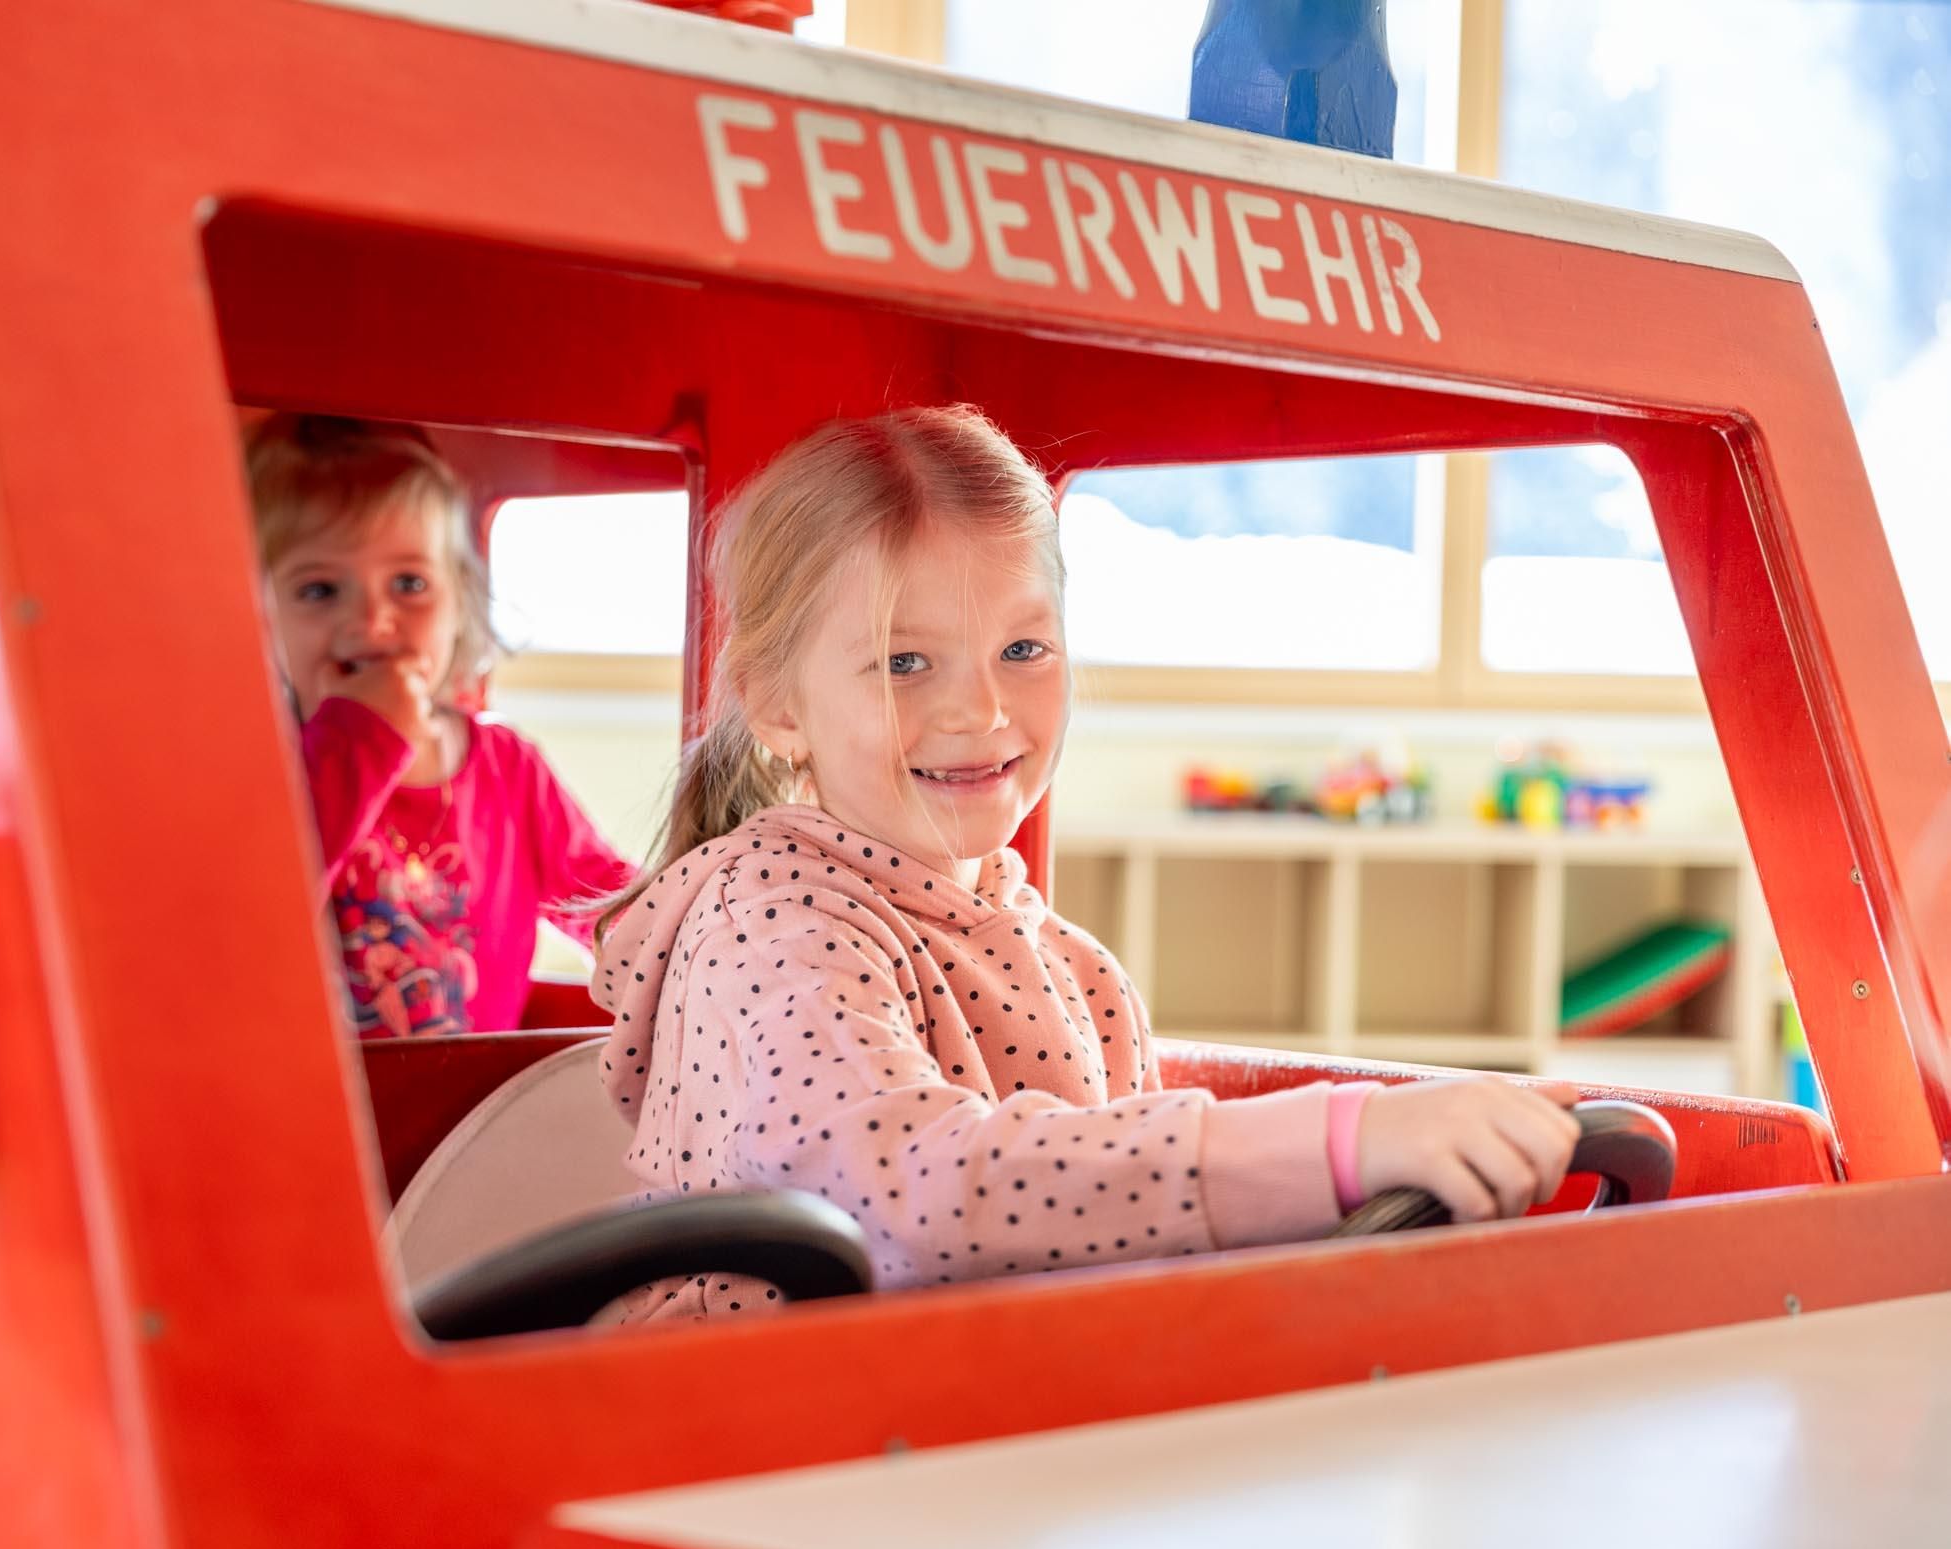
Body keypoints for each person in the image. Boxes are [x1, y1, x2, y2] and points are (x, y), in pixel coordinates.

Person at [594, 406, 1579, 1319]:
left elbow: (1128, 1243)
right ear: (777, 705)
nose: (980, 710)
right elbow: (901, 1197)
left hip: (975, 1424)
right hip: (739, 1426)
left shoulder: (1080, 974)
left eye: (1023, 649)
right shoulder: (771, 924)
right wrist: (1340, 1139)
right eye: (904, 662)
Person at [249, 415, 635, 1037]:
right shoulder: (267, 765)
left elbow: (608, 907)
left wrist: (695, 942)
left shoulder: (506, 767)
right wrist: (361, 736)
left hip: (480, 1096)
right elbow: (250, 913)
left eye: (409, 584)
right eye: (319, 590)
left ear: (458, 603)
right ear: (261, 617)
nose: (373, 622)